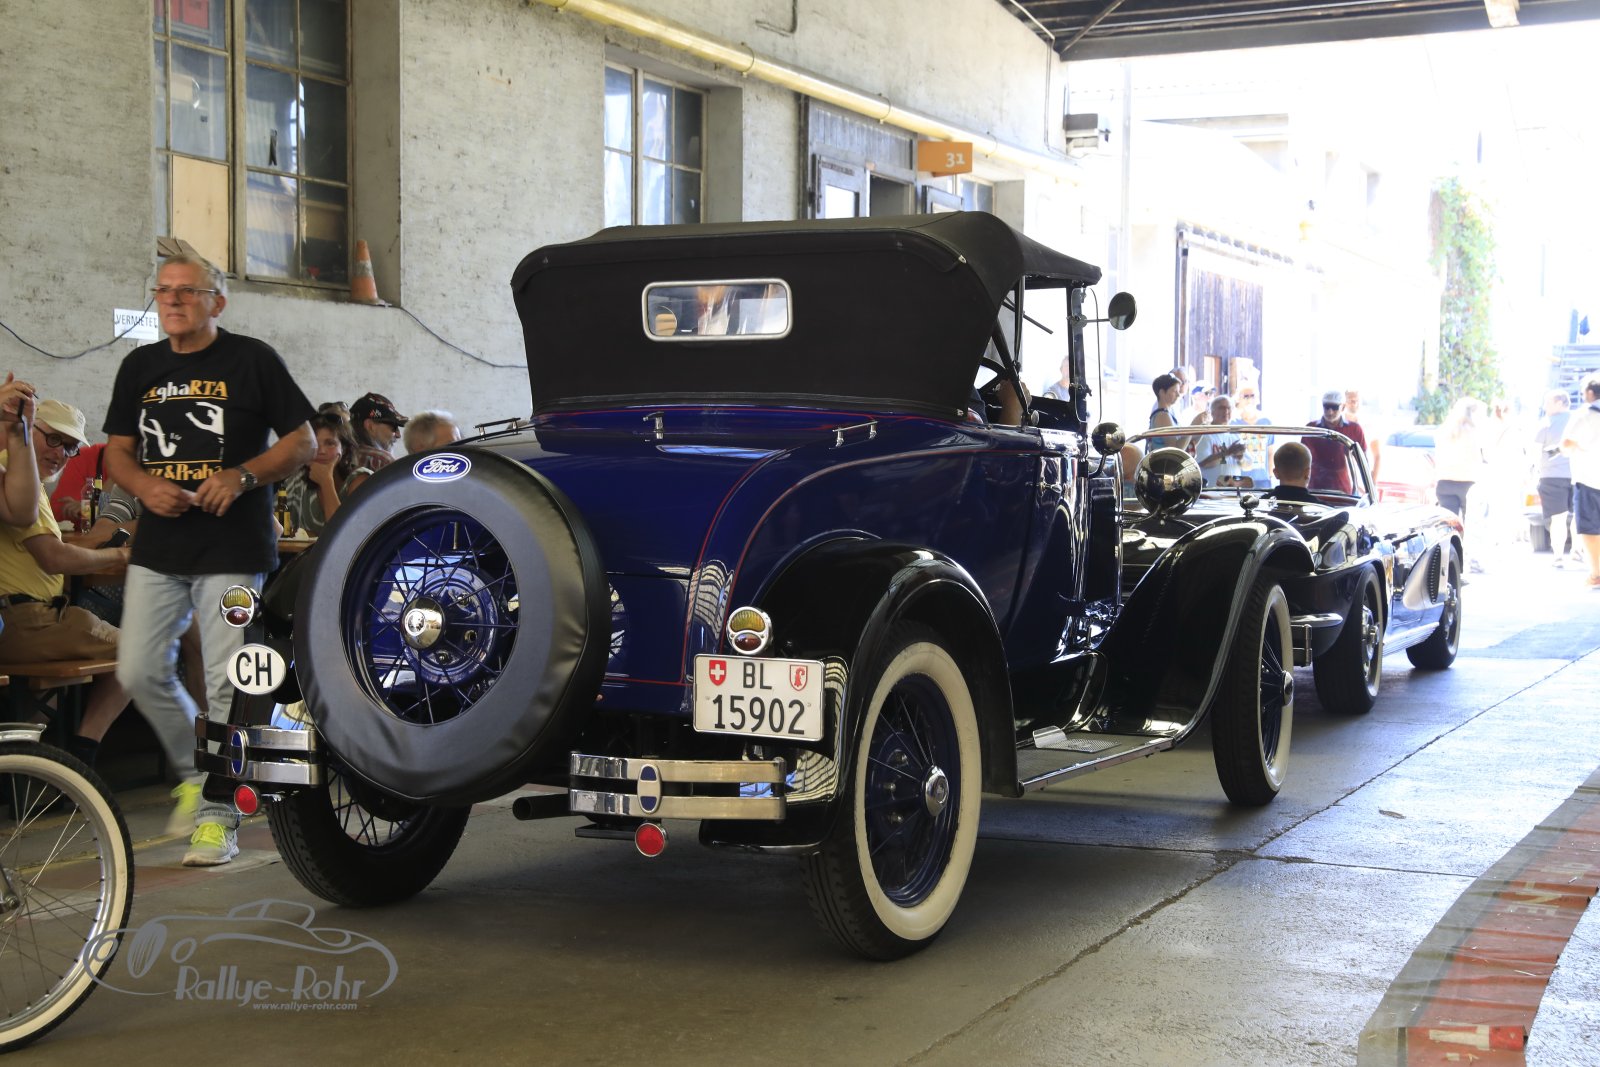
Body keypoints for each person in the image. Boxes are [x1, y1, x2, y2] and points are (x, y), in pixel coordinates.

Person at [103, 252, 315, 867]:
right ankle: (196, 773)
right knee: (138, 669)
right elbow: (118, 453)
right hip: (159, 549)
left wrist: (243, 476)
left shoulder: (252, 360)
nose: (172, 299)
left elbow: (302, 442)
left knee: (226, 683)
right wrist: (144, 487)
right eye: (163, 290)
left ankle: (219, 814)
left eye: (187, 291)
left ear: (217, 302)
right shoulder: (140, 366)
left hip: (232, 547)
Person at [0, 399, 133, 768]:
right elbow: (55, 557)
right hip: (25, 622)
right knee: (149, 652)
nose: (60, 453)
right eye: (53, 439)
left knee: (63, 675)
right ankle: (80, 757)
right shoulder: (16, 477)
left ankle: (33, 766)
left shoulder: (22, 477)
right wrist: (121, 556)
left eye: (71, 447)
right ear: (25, 430)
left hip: (29, 619)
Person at [284, 411, 371, 537]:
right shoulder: (297, 480)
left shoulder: (360, 479)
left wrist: (326, 482)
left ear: (344, 449)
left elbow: (344, 535)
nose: (321, 451)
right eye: (314, 444)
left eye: (330, 443)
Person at [1434, 396, 1488, 573]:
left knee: (1448, 526)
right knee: (1472, 525)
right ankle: (1471, 561)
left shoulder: (1444, 430)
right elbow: (1483, 457)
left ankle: (1446, 563)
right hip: (1468, 482)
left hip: (1444, 481)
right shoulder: (1475, 432)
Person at [1559, 376, 1600, 590]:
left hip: (1589, 478)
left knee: (1590, 529)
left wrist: (1577, 446)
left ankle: (1596, 574)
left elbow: (1565, 444)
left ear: (1590, 393)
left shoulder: (1584, 414)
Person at [1533, 389, 1575, 565]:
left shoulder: (1545, 424)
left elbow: (1535, 453)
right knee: (1579, 516)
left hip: (1551, 477)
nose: (1545, 406)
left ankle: (1558, 555)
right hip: (1579, 475)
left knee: (1558, 518)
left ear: (1560, 403)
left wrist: (1534, 473)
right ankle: (1577, 551)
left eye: (1548, 402)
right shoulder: (1578, 421)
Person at [1305, 390, 1368, 494]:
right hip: (1315, 487)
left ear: (1343, 407)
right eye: (1327, 407)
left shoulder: (1355, 429)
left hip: (1343, 489)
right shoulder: (1311, 428)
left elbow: (1363, 461)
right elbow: (1304, 461)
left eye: (1334, 407)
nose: (1330, 412)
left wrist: (1367, 487)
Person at [1193, 395, 1247, 486]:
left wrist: (1241, 459)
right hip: (1212, 490)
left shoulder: (1235, 434)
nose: (1226, 411)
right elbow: (1203, 463)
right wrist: (1228, 453)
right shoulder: (1204, 434)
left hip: (1233, 490)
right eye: (1221, 408)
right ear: (1212, 411)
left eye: (1229, 408)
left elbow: (1248, 465)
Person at [349, 392, 406, 471]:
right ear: (370, 426)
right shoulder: (382, 460)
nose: (398, 435)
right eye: (394, 427)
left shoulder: (339, 454)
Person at [1231, 384, 1274, 487]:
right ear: (1238, 399)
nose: (1249, 400)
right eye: (1245, 396)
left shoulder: (1266, 422)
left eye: (1252, 396)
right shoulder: (1233, 423)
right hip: (1240, 479)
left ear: (1258, 399)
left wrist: (1271, 476)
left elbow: (1270, 452)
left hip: (1263, 480)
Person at [1343, 389, 1380, 480]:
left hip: (1362, 479)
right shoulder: (1338, 424)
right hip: (1343, 480)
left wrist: (1373, 481)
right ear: (1344, 402)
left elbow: (1377, 456)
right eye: (1351, 400)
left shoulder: (1368, 424)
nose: (1354, 403)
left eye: (1357, 400)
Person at [1147, 373, 1181, 444]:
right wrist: (1192, 430)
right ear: (1162, 392)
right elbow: (1174, 447)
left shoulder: (1168, 413)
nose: (1178, 395)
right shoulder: (1162, 416)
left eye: (1178, 391)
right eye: (1175, 391)